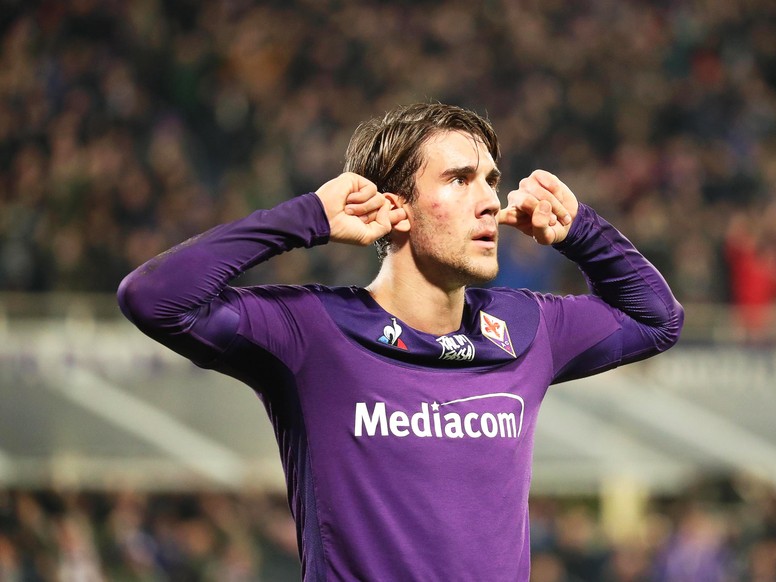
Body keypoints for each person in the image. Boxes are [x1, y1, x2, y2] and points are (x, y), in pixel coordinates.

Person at [117, 102, 684, 580]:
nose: (490, 200)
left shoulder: (526, 329)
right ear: (396, 208)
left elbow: (657, 320)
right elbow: (154, 298)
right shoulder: (311, 331)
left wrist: (582, 231)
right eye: (459, 180)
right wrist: (304, 217)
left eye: (490, 180)